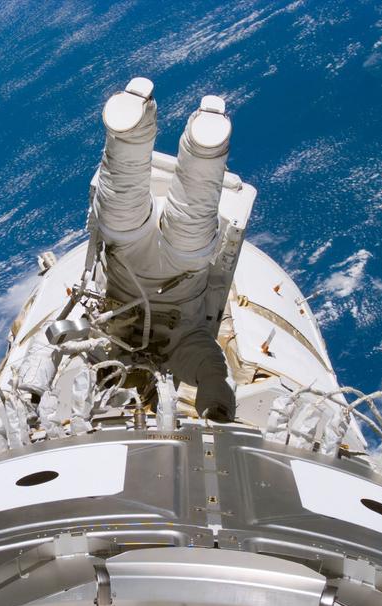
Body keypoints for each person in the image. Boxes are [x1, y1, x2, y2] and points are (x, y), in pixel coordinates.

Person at [91, 78, 236, 421]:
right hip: (154, 265)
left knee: (184, 212)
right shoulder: (184, 354)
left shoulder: (110, 348)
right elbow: (213, 375)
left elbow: (214, 375)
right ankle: (146, 131)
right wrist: (215, 412)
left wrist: (217, 411)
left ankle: (197, 143)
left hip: (161, 264)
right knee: (125, 206)